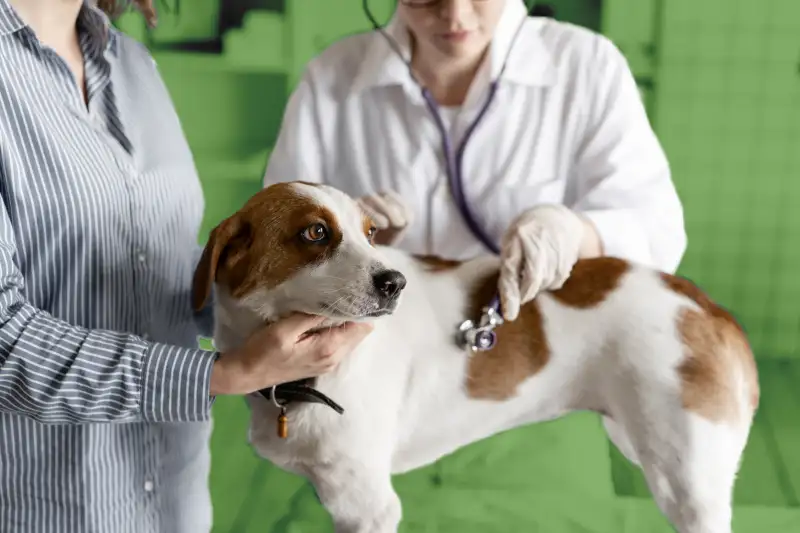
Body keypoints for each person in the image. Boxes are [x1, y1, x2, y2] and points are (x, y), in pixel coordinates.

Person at [0, 1, 373, 532]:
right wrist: (226, 374)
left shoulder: (131, 65)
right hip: (44, 509)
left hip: (174, 501)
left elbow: (153, 262)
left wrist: (302, 281)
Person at [263, 0, 687, 320]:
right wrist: (354, 245)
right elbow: (276, 246)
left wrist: (570, 232)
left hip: (538, 369)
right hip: (379, 367)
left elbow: (656, 231)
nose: (455, 16)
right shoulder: (331, 76)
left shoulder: (587, 66)